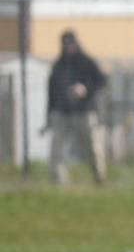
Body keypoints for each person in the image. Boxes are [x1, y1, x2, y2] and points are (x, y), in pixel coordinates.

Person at [43, 30, 107, 185]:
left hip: (84, 112)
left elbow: (102, 81)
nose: (68, 47)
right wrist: (49, 115)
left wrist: (85, 88)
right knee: (56, 148)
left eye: (71, 44)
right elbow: (51, 91)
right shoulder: (58, 65)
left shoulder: (86, 62)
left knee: (93, 148)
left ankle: (99, 178)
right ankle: (58, 181)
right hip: (62, 113)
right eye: (65, 44)